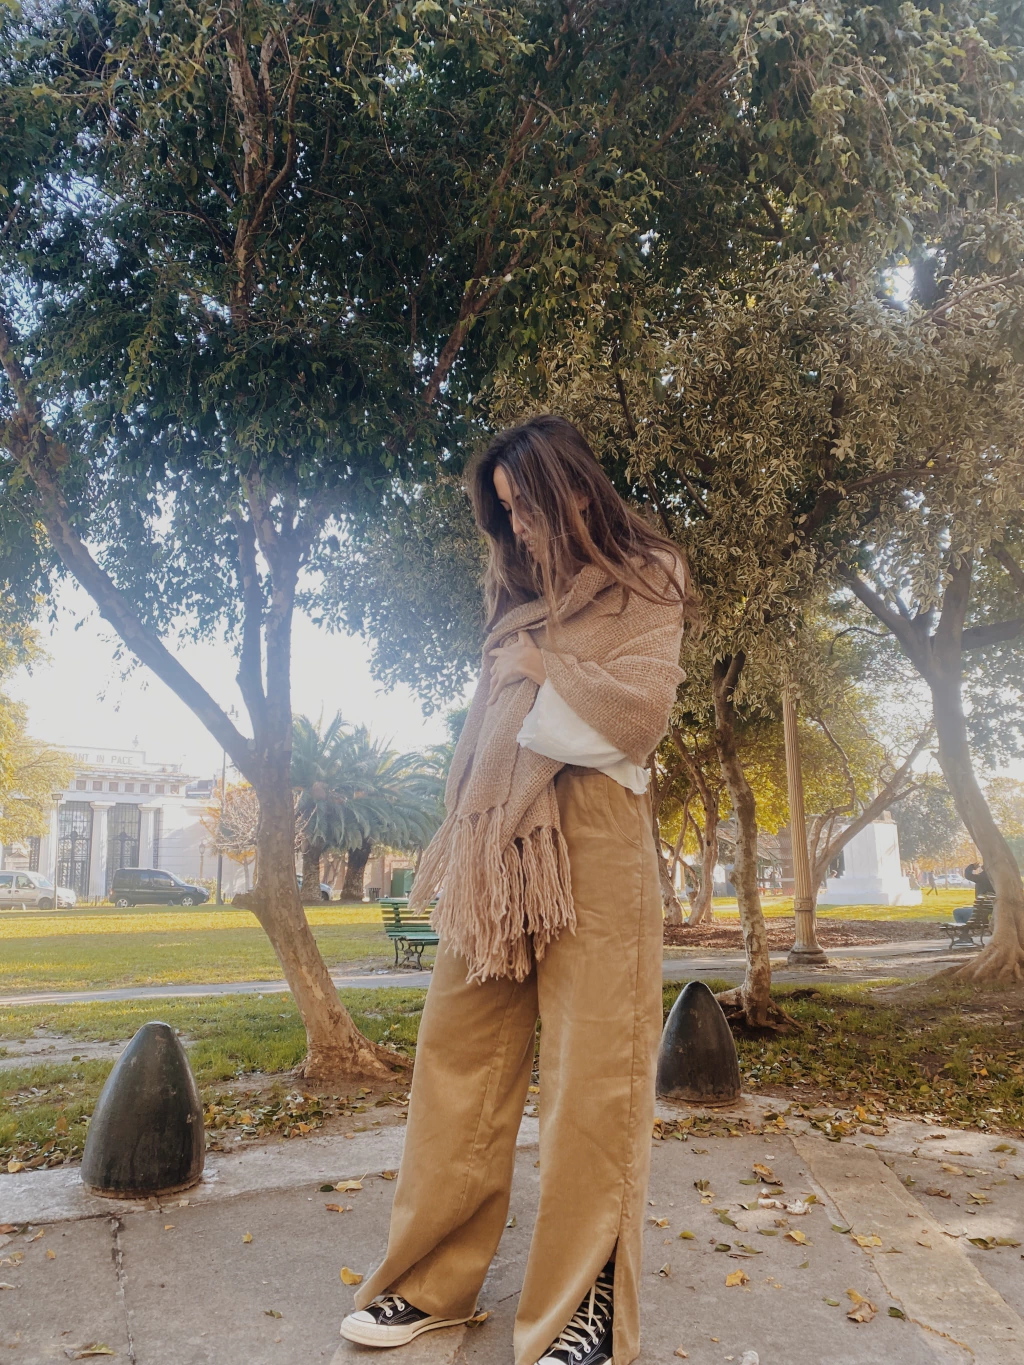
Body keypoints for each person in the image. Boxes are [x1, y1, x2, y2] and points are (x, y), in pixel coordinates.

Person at [340, 415, 690, 1365]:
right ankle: (429, 1284)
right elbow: (486, 731)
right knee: (458, 1055)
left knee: (594, 1077)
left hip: (598, 835)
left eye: (524, 505)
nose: (519, 528)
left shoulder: (650, 576)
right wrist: (467, 815)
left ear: (573, 487)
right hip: (498, 849)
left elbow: (640, 716)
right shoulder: (517, 599)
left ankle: (580, 1312)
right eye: (504, 514)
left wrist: (544, 672)